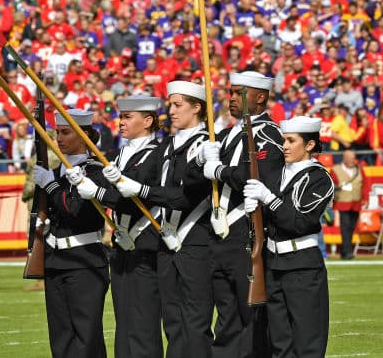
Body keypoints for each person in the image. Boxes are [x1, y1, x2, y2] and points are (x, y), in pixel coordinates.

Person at [104, 80, 214, 358]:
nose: (172, 111)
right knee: (173, 323)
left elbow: (185, 195)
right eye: (171, 105)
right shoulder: (166, 146)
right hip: (166, 245)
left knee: (195, 322)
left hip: (194, 240)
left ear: (197, 107)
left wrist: (140, 190)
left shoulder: (206, 144)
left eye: (178, 105)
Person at [201, 70, 284, 357]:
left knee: (252, 320)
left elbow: (260, 175)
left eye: (239, 93)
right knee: (226, 320)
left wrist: (220, 170)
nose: (231, 98)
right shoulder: (225, 136)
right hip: (221, 237)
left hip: (247, 235)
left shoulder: (269, 135)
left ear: (260, 97)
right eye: (231, 92)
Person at [243, 116, 334, 358]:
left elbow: (300, 221)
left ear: (310, 145)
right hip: (273, 263)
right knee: (279, 342)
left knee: (307, 340)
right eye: (284, 140)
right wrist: (252, 206)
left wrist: (269, 199)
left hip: (302, 264)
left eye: (291, 140)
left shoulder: (319, 178)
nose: (284, 145)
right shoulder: (275, 175)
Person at [33, 108, 113, 358]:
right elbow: (47, 214)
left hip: (84, 261)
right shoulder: (54, 173)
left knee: (86, 337)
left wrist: (52, 185)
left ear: (85, 136)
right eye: (57, 132)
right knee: (61, 338)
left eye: (66, 132)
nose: (59, 138)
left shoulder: (96, 171)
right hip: (56, 262)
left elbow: (75, 210)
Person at [93, 95, 164, 358]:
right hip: (121, 246)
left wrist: (99, 193)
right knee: (123, 322)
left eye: (127, 117)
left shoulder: (156, 154)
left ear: (147, 121)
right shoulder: (122, 154)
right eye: (121, 117)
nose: (121, 122)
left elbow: (134, 202)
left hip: (145, 245)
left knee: (143, 323)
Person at [331, 150, 369, 260]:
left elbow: (365, 184)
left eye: (354, 158)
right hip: (343, 202)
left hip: (356, 202)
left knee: (351, 228)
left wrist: (365, 199)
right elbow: (331, 184)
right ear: (345, 158)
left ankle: (344, 250)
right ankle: (348, 251)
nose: (353, 160)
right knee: (345, 227)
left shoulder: (359, 169)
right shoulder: (335, 169)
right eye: (351, 158)